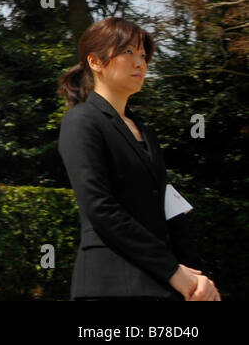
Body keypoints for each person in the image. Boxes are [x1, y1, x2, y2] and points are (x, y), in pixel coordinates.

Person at [57, 17, 219, 301]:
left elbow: (169, 208)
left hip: (163, 284)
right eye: (128, 52)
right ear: (95, 62)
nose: (140, 63)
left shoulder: (145, 131)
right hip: (111, 288)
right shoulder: (81, 122)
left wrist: (198, 278)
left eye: (143, 54)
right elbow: (101, 208)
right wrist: (172, 271)